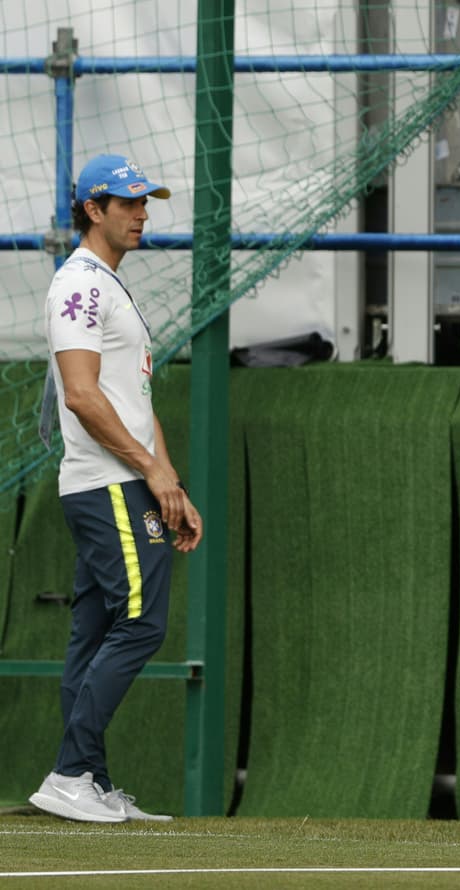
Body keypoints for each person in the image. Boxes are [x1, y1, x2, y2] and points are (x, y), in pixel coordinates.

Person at [28, 154, 203, 824]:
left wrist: (171, 483)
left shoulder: (107, 284)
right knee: (142, 622)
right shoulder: (79, 283)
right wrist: (150, 472)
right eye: (127, 203)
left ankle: (89, 780)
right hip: (107, 484)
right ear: (91, 210)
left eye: (144, 201)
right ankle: (70, 773)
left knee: (97, 628)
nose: (141, 213)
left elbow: (134, 399)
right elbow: (81, 395)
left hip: (124, 481)